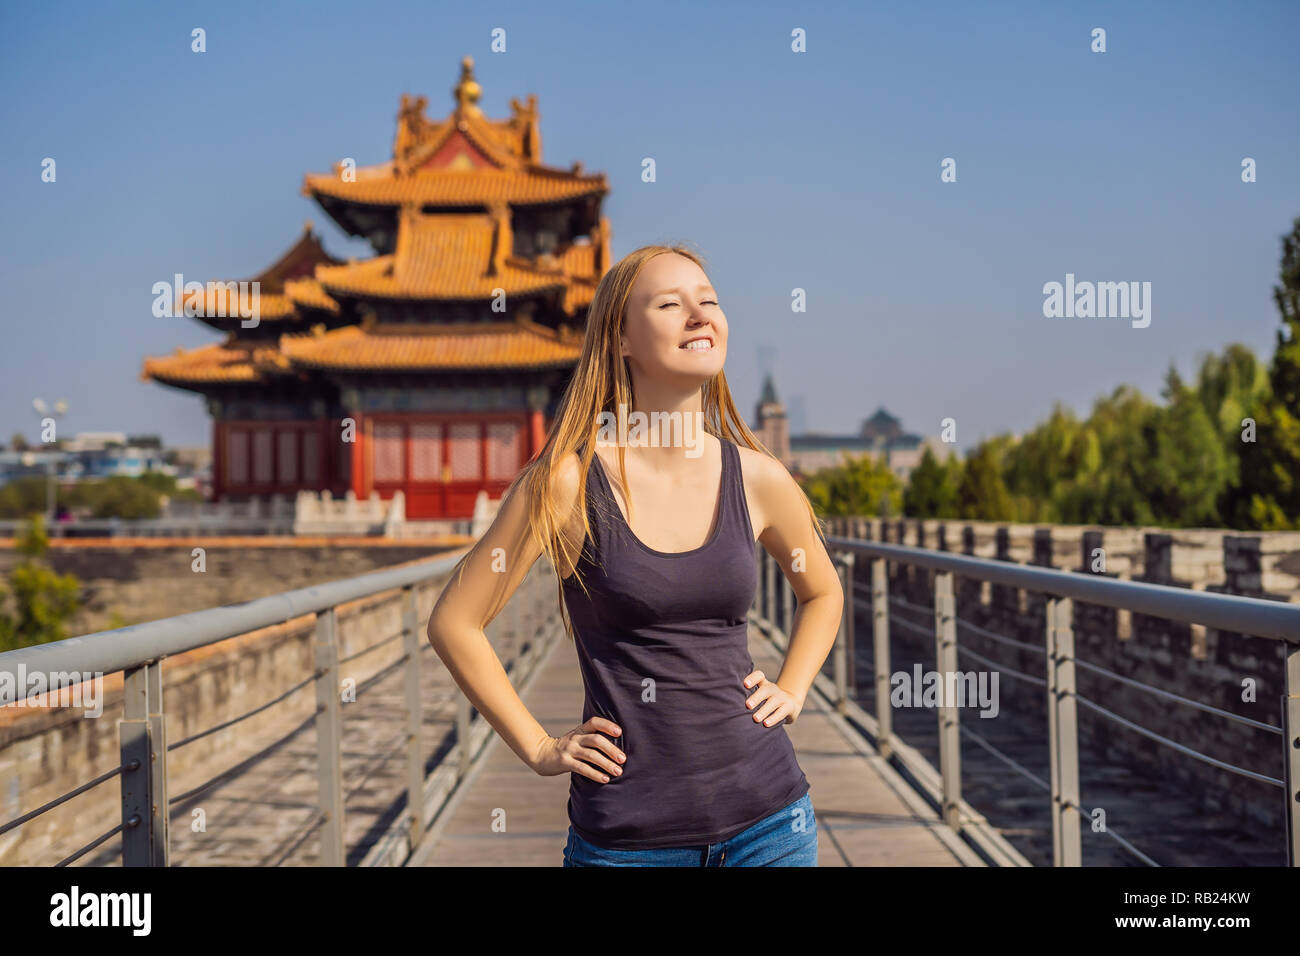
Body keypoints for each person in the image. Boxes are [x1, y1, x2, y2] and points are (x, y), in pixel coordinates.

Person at [426, 244, 844, 866]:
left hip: (771, 824)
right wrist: (540, 747)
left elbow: (823, 591)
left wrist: (793, 686)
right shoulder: (566, 484)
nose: (700, 315)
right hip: (627, 843)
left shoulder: (758, 477)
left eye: (710, 301)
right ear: (620, 339)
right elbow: (455, 623)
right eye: (672, 304)